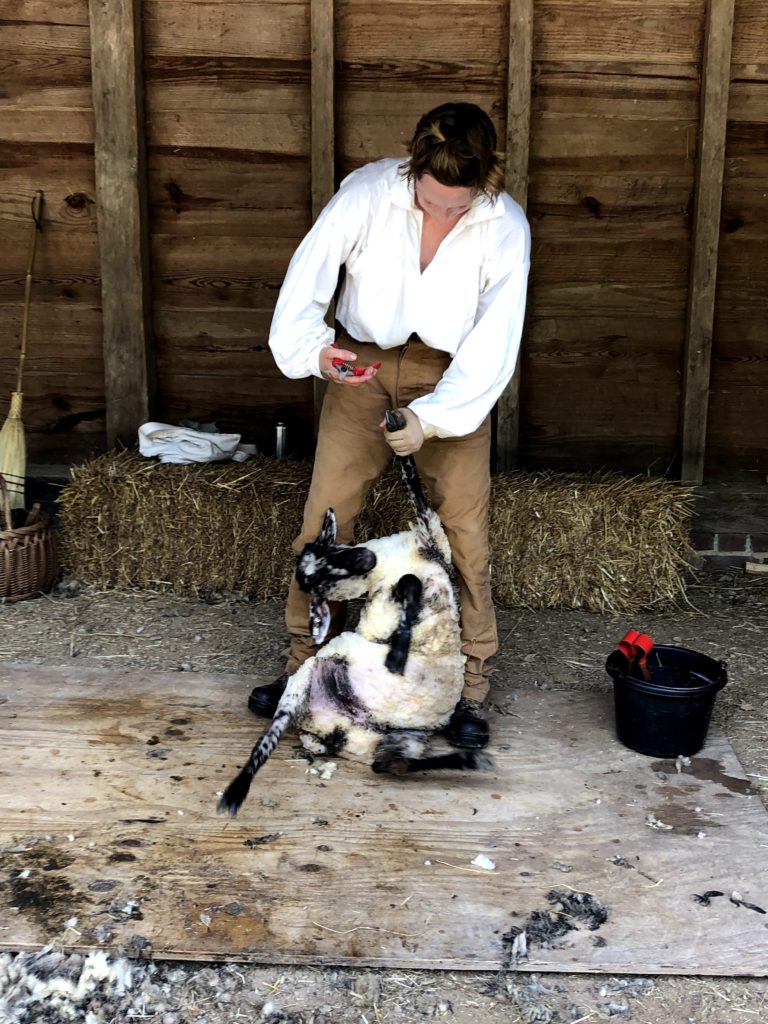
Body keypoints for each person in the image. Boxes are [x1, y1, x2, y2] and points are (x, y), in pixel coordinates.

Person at [249, 101, 531, 749]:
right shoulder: (368, 194)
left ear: (485, 181)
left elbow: (493, 345)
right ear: (412, 171)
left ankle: (469, 686)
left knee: (464, 533)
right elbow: (306, 278)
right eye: (430, 202)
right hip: (362, 368)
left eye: (456, 208)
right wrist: (315, 351)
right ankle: (302, 670)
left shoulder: (505, 226)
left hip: (449, 377)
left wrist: (431, 421)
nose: (441, 215)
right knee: (324, 525)